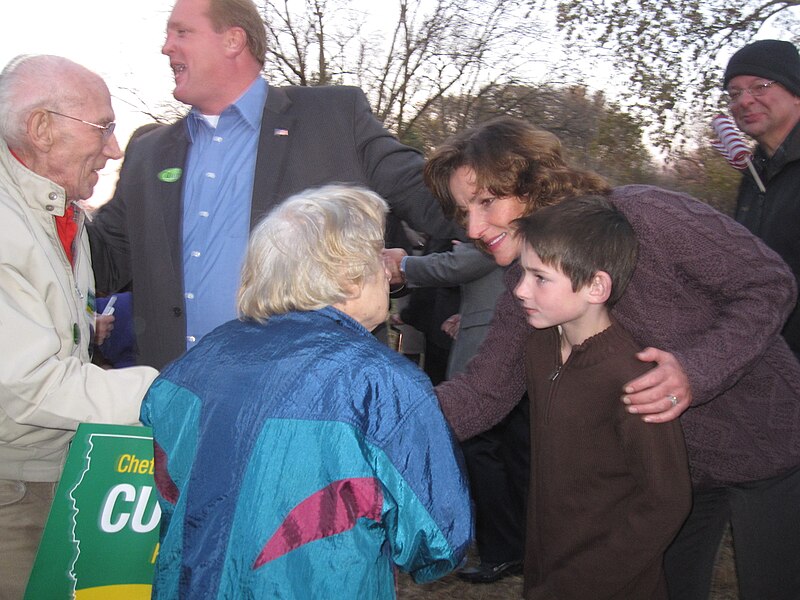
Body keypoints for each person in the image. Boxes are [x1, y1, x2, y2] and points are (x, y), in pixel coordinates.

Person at [425, 116, 800, 600]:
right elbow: (483, 393)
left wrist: (697, 368)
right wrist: (381, 422)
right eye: (463, 212)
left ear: (534, 181)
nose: (474, 227)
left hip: (768, 446)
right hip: (675, 472)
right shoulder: (531, 288)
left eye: (486, 202)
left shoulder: (649, 216)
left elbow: (768, 281)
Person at [88, 0, 461, 369]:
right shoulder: (148, 152)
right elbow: (100, 264)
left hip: (304, 395)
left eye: (182, 31)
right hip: (177, 394)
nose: (166, 46)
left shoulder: (334, 117)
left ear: (233, 40)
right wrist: (45, 185)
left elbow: (440, 203)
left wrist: (509, 187)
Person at [140, 185, 472, 599]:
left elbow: (170, 493)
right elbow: (438, 539)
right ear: (348, 275)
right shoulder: (381, 382)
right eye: (377, 258)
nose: (388, 273)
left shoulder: (193, 364)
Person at [0, 55, 158, 599]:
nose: (114, 149)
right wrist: (170, 391)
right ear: (41, 128)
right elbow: (26, 383)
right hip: (12, 491)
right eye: (104, 129)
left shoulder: (58, 210)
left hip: (52, 470)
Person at [515, 195, 691, 598]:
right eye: (522, 274)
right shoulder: (538, 351)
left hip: (614, 584)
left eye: (540, 278)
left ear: (596, 286)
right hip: (547, 569)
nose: (521, 291)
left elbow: (667, 499)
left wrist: (578, 585)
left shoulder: (634, 380)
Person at [386, 242, 528, 583]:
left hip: (489, 355)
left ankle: (503, 549)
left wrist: (402, 264)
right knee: (509, 451)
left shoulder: (501, 232)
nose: (475, 224)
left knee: (480, 449)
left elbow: (456, 265)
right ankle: (513, 544)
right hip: (491, 344)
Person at [723, 39, 800, 362]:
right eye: (734, 93)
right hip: (770, 358)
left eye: (759, 86)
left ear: (796, 93)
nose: (745, 101)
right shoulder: (754, 175)